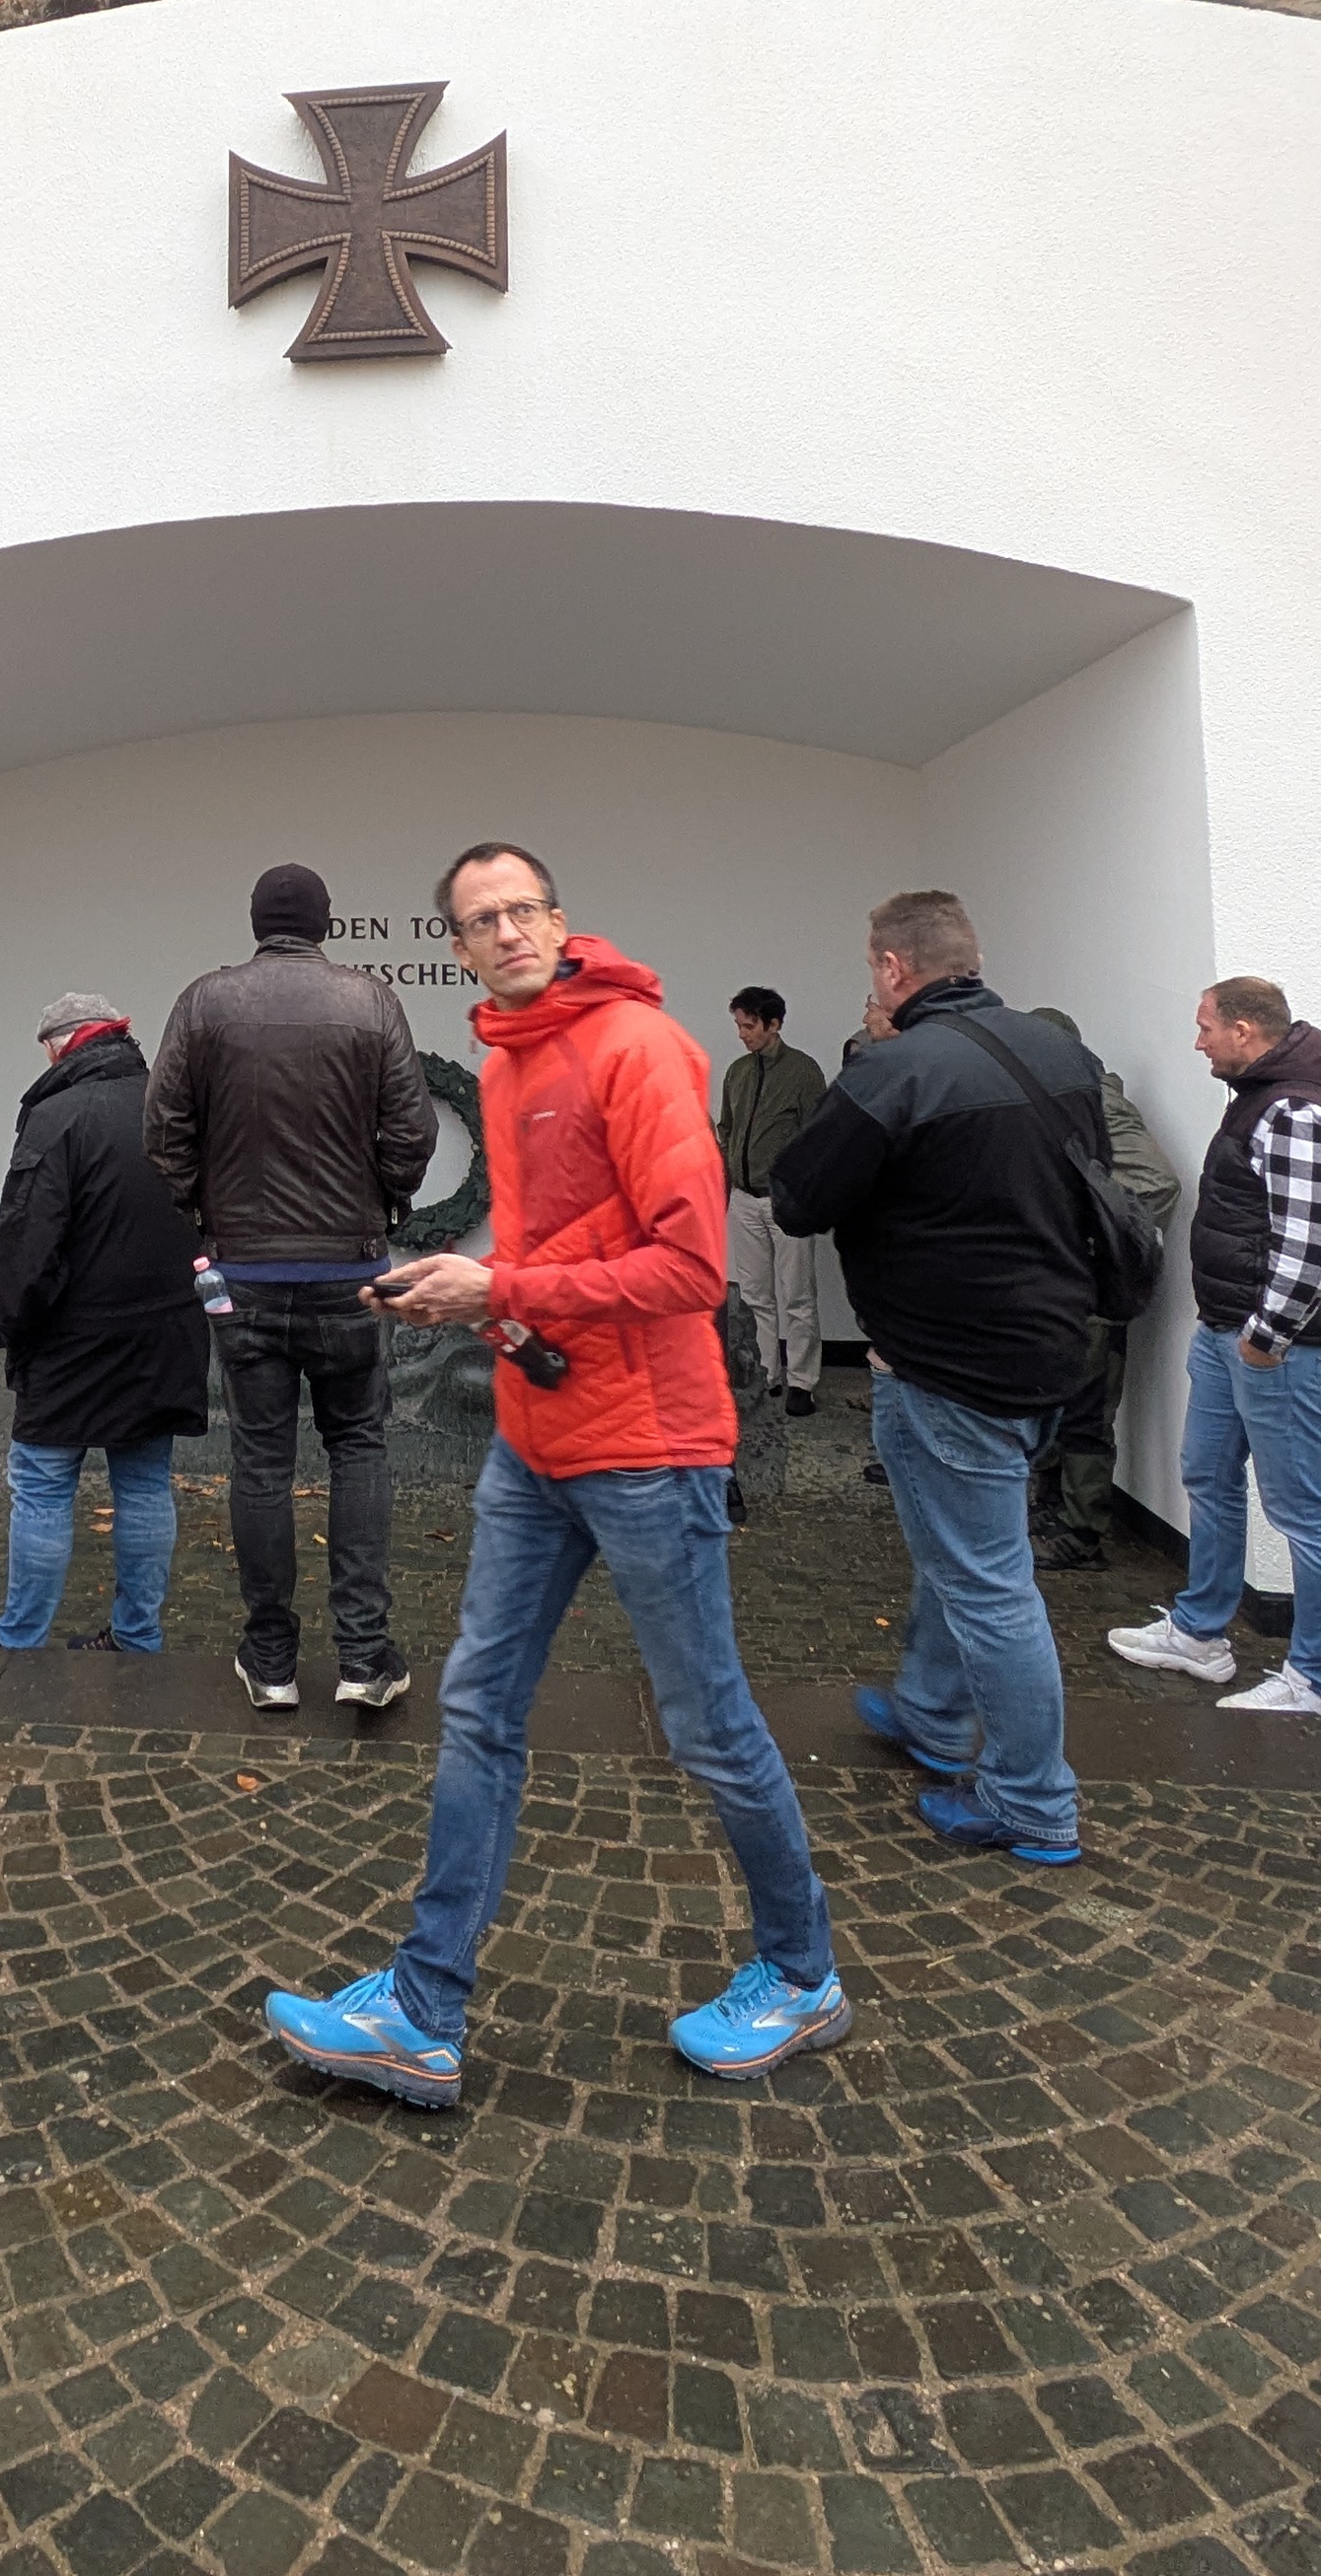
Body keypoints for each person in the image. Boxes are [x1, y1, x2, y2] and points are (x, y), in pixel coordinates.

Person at [259, 843, 844, 2105]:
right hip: (535, 1441)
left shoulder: (637, 1045)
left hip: (648, 1450)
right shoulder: (507, 1058)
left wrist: (501, 1286)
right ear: (459, 948)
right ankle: (423, 2007)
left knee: (709, 1728)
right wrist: (467, 1298)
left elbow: (689, 1269)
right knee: (477, 1709)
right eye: (482, 919)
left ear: (560, 921)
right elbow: (548, 1263)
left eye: (523, 908)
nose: (508, 930)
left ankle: (802, 1973)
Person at [768, 893, 1102, 1861]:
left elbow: (797, 1198)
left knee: (989, 1585)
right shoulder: (1058, 1054)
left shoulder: (895, 1069)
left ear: (891, 969)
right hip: (1053, 1349)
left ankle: (1033, 1801)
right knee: (965, 1552)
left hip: (948, 1368)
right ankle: (930, 1709)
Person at [145, 864, 435, 1711]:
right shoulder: (370, 1002)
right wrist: (387, 1199)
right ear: (325, 924)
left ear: (255, 923)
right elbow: (411, 1129)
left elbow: (163, 1129)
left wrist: (204, 1209)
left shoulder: (204, 1003)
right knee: (360, 1448)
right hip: (350, 1271)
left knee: (261, 1460)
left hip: (244, 1274)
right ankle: (365, 1656)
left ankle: (270, 1659)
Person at [1108, 976, 1321, 1715]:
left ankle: (1315, 1682)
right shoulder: (1259, 1101)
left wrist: (1265, 1339)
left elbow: (1314, 1246)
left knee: (1303, 1511)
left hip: (1284, 1349)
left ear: (1245, 1031)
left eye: (1205, 1028)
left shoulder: (1297, 1112)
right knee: (1207, 1474)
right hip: (1229, 1333)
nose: (1198, 1043)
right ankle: (1200, 1634)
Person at [0, 993, 202, 1653]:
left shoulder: (56, 1116)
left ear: (60, 1045)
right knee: (145, 1486)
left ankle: (21, 1637)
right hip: (164, 1334)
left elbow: (25, 1247)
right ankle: (137, 1638)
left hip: (71, 1340)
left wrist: (19, 1329)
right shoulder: (174, 1107)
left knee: (42, 1487)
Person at [1018, 1004, 1178, 1571]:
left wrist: (1087, 1230)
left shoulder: (1099, 1100)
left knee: (1085, 1413)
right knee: (1051, 1402)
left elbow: (1157, 1184)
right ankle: (1051, 1509)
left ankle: (1082, 1534)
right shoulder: (1058, 1099)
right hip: (1056, 1288)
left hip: (1090, 1291)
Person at [717, 987, 827, 1417]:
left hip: (786, 1201)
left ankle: (802, 1381)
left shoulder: (803, 1071)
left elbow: (817, 1136)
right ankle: (767, 1374)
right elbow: (727, 1127)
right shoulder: (738, 1072)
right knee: (755, 1295)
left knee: (797, 1295)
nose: (742, 1034)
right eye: (739, 1025)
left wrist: (801, 1189)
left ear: (774, 1024)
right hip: (743, 1199)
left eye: (749, 1026)